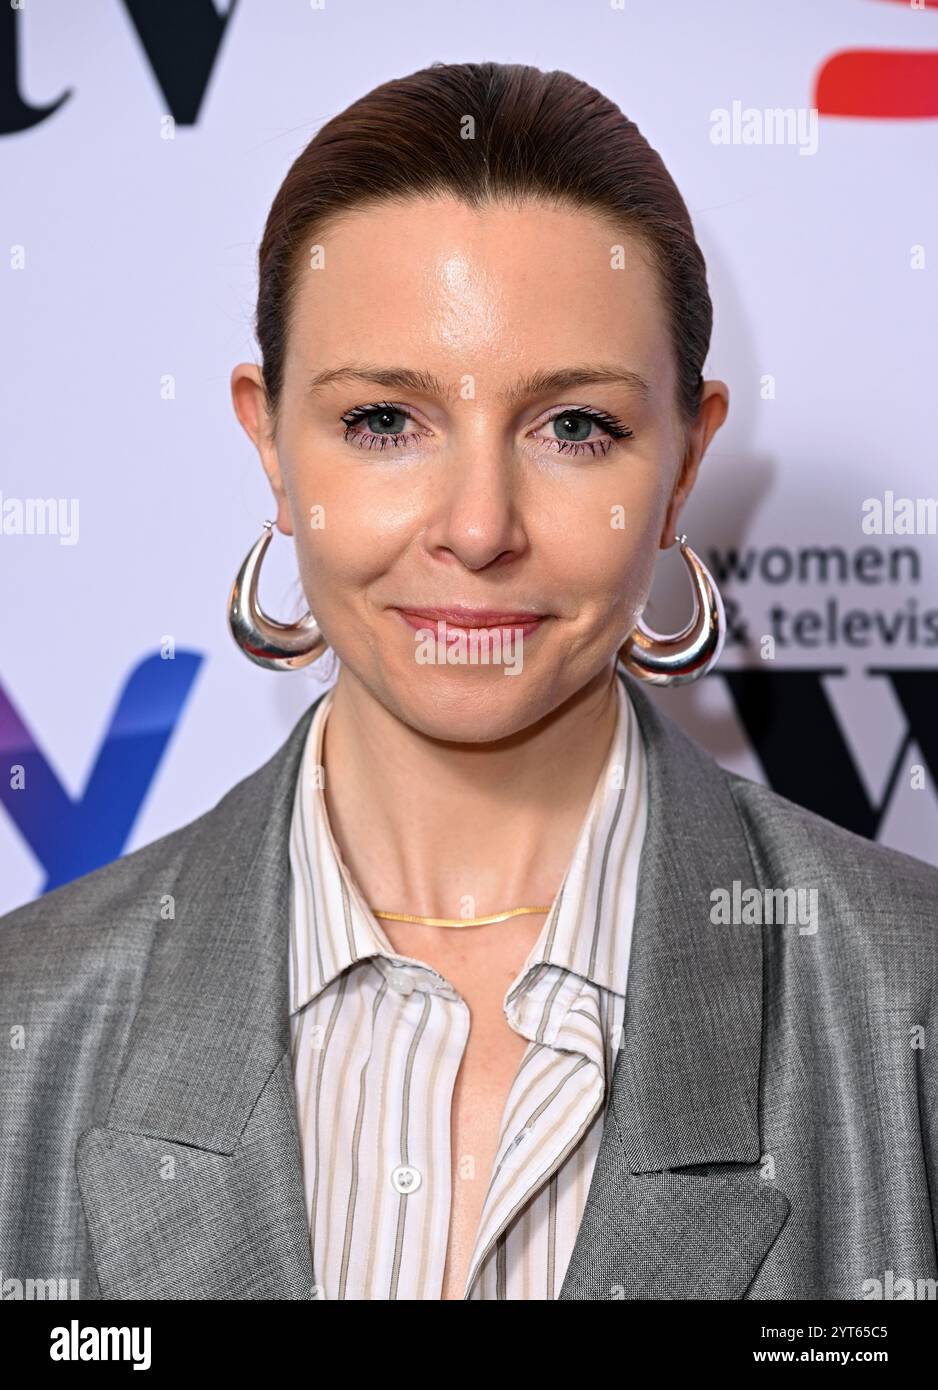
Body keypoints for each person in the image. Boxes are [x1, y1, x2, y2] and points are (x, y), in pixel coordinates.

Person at [1, 61, 936, 1302]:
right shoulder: (31, 1019)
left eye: (574, 428)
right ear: (270, 444)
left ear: (683, 462)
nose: (479, 526)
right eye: (385, 421)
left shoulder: (906, 997)